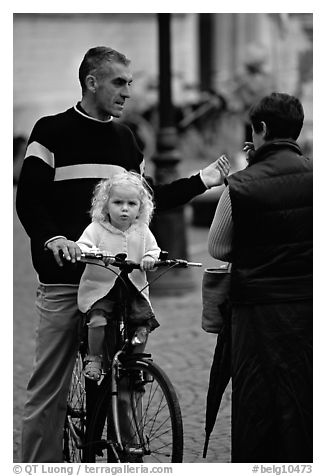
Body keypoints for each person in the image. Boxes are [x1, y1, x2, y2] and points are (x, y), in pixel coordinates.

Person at [16, 46, 230, 462]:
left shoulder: (125, 139)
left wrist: (201, 181)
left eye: (130, 83)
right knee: (49, 392)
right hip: (65, 279)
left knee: (127, 381)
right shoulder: (50, 131)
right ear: (91, 82)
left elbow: (145, 201)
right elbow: (28, 201)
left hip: (117, 282)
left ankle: (125, 456)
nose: (128, 92)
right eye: (119, 82)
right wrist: (53, 239)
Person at [207, 92, 312, 462]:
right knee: (306, 397)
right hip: (309, 306)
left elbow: (217, 248)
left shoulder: (239, 186)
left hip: (256, 312)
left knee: (258, 403)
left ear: (261, 130)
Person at [76, 171, 160, 380]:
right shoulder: (96, 229)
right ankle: (93, 357)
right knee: (97, 320)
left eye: (131, 204)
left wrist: (151, 257)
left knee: (142, 326)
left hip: (132, 288)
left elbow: (154, 249)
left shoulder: (142, 230)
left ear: (140, 207)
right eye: (118, 202)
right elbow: (81, 247)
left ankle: (134, 362)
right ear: (105, 205)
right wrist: (96, 253)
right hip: (101, 288)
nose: (124, 208)